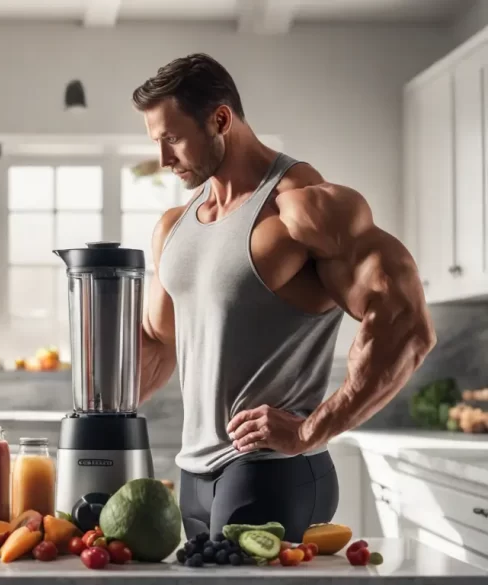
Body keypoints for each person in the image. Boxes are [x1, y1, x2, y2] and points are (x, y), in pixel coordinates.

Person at [131, 53, 436, 542]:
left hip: (271, 469)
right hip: (193, 472)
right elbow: (158, 339)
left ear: (221, 119)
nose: (165, 159)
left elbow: (406, 326)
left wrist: (309, 431)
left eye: (172, 138)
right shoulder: (175, 226)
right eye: (156, 142)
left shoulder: (306, 207)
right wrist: (92, 411)